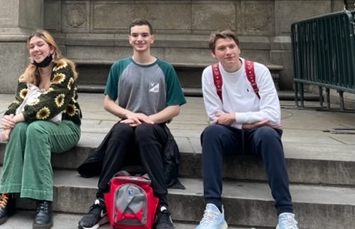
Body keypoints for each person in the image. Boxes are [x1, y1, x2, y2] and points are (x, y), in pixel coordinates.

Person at [78, 19, 186, 229]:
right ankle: (100, 201)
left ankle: (162, 207)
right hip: (127, 123)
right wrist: (129, 114)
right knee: (120, 130)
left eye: (144, 35)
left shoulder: (165, 69)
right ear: (129, 39)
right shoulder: (119, 67)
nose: (140, 39)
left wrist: (149, 119)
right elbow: (108, 102)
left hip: (156, 128)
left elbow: (175, 107)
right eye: (135, 35)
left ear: (152, 38)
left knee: (145, 130)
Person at [194, 30, 298, 229]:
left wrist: (235, 117)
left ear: (239, 48)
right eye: (222, 48)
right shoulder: (210, 74)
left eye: (231, 46)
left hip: (259, 135)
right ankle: (213, 209)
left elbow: (273, 115)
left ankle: (286, 214)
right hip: (230, 135)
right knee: (210, 133)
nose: (228, 52)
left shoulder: (258, 71)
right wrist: (252, 119)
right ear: (213, 53)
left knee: (268, 134)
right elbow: (215, 117)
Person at [0, 30, 82, 229]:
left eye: (40, 44)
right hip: (36, 126)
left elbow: (50, 104)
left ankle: (43, 201)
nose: (36, 49)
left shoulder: (64, 69)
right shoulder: (28, 74)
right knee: (22, 129)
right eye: (32, 46)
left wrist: (16, 120)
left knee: (34, 128)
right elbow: (17, 102)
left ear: (51, 48)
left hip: (66, 127)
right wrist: (8, 121)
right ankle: (8, 196)